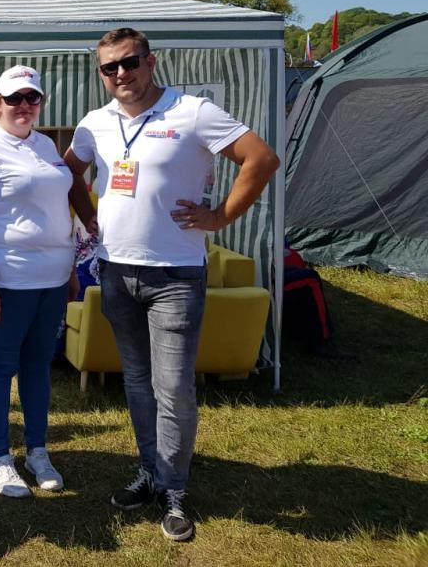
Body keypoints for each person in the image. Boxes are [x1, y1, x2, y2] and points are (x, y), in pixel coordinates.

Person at [64, 28, 279, 541]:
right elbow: (69, 172)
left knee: (175, 387)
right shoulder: (95, 122)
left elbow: (261, 159)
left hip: (176, 274)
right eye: (110, 67)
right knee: (137, 381)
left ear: (151, 61)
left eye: (130, 62)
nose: (121, 73)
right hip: (115, 270)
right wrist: (88, 215)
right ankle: (150, 471)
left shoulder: (193, 111)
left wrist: (220, 216)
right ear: (101, 73)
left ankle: (175, 488)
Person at [0, 66, 78, 497]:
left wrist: (70, 268)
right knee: (0, 367)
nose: (24, 106)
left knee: (38, 367)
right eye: (14, 98)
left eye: (32, 98)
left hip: (53, 278)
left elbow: (58, 209)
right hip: (9, 279)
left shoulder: (46, 145)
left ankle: (37, 451)